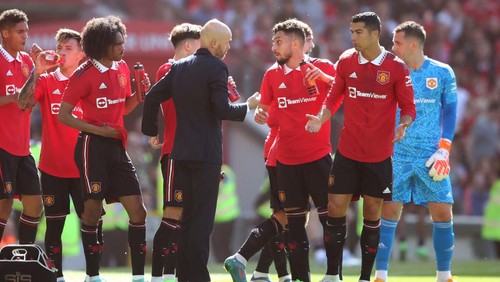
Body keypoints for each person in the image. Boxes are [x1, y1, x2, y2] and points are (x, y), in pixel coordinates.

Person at [142, 19, 259, 282]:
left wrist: (152, 131)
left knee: (186, 221)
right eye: (227, 42)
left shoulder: (180, 66)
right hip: (205, 155)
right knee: (202, 222)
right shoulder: (217, 67)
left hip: (180, 153)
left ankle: (184, 276)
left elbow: (151, 97)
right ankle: (197, 277)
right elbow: (222, 109)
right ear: (215, 43)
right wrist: (248, 106)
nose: (229, 47)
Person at [305, 12, 416, 282]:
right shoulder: (345, 60)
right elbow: (333, 97)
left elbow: (408, 106)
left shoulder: (396, 67)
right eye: (351, 31)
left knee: (372, 213)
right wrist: (321, 117)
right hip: (347, 151)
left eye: (358, 32)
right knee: (334, 207)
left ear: (375, 33)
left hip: (379, 155)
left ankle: (365, 277)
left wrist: (404, 125)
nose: (352, 36)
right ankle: (333, 274)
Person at [233, 18, 335, 282]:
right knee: (291, 222)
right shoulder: (271, 75)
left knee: (326, 218)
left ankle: (332, 275)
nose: (272, 47)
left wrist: (324, 78)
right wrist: (262, 114)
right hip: (284, 160)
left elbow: (345, 91)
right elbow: (268, 111)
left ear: (297, 43)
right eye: (273, 41)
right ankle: (286, 276)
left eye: (278, 41)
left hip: (317, 157)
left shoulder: (322, 68)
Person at [58, 16, 150, 282]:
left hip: (116, 146)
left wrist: (139, 96)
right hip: (91, 146)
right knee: (92, 211)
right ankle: (92, 275)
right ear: (102, 44)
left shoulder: (122, 68)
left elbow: (123, 108)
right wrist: (100, 130)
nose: (123, 45)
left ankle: (138, 277)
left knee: (138, 211)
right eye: (118, 42)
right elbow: (64, 116)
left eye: (123, 40)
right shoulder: (82, 75)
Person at [374, 21, 458, 282]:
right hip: (396, 153)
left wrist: (444, 149)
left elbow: (451, 112)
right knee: (389, 212)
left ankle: (444, 275)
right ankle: (380, 275)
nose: (392, 47)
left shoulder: (443, 72)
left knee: (443, 212)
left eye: (397, 42)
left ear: (413, 44)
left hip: (431, 154)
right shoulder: (389, 71)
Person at [17, 28, 88, 282]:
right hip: (52, 168)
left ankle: (94, 275)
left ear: (82, 54)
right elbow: (23, 103)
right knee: (54, 227)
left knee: (91, 225)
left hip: (86, 168)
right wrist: (37, 71)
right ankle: (56, 276)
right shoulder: (47, 80)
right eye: (59, 48)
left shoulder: (88, 80)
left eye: (68, 48)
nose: (61, 53)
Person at [148, 22, 201, 282]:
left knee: (187, 218)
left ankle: (174, 275)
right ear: (189, 45)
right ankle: (158, 276)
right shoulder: (168, 69)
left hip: (196, 154)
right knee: (172, 213)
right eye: (200, 45)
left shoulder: (197, 71)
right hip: (175, 151)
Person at [0, 9, 43, 246]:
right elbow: (17, 98)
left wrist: (38, 69)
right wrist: (12, 98)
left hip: (22, 147)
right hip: (2, 145)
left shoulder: (27, 61)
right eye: (19, 31)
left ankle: (24, 254)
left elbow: (30, 102)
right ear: (5, 33)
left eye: (26, 31)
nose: (25, 36)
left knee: (35, 204)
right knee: (4, 205)